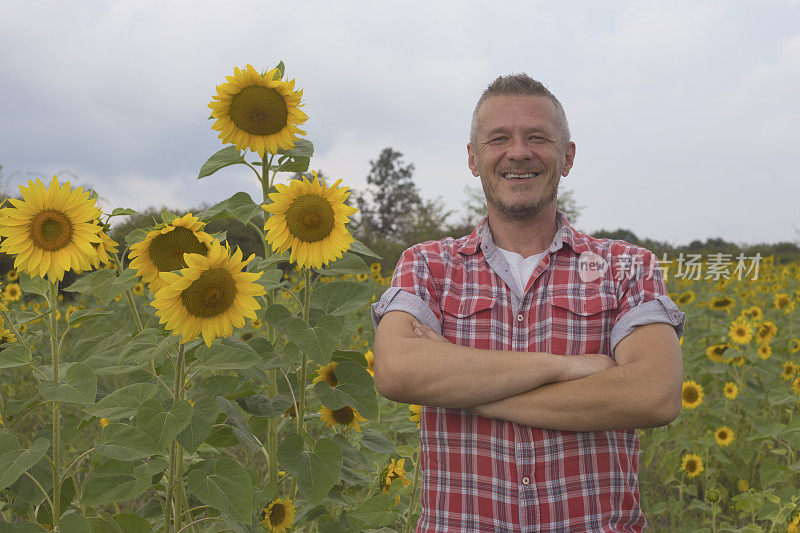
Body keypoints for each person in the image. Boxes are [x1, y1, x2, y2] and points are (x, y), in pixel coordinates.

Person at [370, 74, 685, 532]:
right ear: (474, 160)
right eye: (499, 139)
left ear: (567, 157)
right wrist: (565, 368)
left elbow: (655, 394)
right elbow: (398, 371)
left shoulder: (626, 266)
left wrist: (464, 392)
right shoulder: (428, 265)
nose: (518, 152)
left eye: (537, 137)